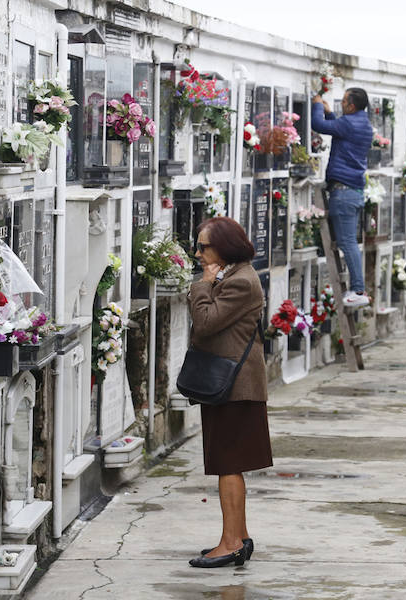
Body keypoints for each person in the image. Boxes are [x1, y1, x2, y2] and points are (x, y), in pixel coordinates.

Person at [187, 216, 273, 568]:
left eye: (203, 246)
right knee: (229, 464)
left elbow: (206, 324)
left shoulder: (240, 281)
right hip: (231, 384)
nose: (197, 253)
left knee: (229, 465)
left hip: (236, 385)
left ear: (223, 246)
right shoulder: (235, 275)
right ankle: (240, 535)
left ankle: (231, 543)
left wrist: (201, 286)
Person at [311, 88, 375, 308]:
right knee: (349, 242)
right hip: (354, 191)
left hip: (344, 192)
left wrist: (317, 104)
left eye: (343, 101)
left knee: (347, 243)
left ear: (351, 106)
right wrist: (329, 114)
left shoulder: (349, 123)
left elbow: (318, 126)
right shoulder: (362, 123)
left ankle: (358, 290)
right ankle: (358, 288)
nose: (341, 105)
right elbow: (337, 130)